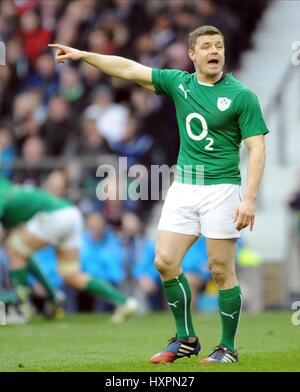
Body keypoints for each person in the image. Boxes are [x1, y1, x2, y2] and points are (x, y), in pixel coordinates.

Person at [49, 24, 268, 364]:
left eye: (219, 46)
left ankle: (227, 348)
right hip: (184, 185)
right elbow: (129, 68)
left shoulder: (242, 96)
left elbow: (257, 148)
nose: (214, 51)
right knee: (164, 262)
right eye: (207, 46)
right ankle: (186, 339)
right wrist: (84, 56)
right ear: (192, 55)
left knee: (220, 269)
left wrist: (250, 197)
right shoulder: (178, 83)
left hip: (223, 188)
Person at [0, 175, 138, 323]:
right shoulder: (6, 187)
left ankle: (23, 309)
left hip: (54, 216)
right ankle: (124, 302)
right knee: (70, 274)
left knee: (15, 250)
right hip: (71, 214)